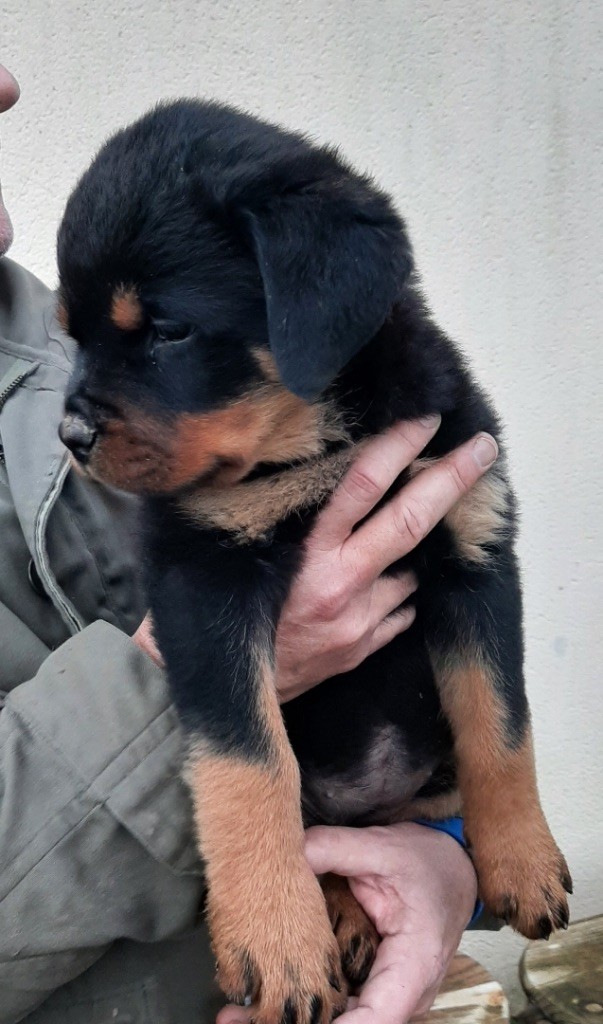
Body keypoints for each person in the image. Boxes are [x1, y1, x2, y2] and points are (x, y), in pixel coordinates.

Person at [0, 63, 497, 1024]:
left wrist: (443, 858)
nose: (7, 84)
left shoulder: (75, 335)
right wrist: (204, 668)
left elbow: (429, 651)